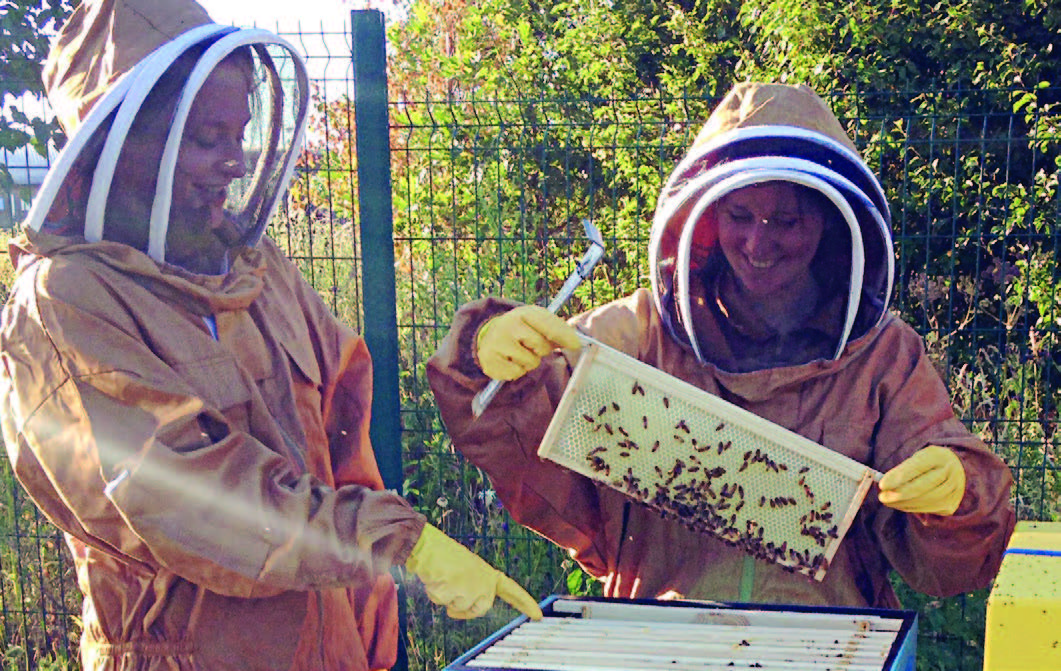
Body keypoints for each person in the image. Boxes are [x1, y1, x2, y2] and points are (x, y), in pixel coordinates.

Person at [0, 1, 540, 669]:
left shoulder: (260, 275)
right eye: (203, 138)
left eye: (238, 133)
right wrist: (392, 540)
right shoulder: (67, 304)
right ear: (122, 139)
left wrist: (477, 353)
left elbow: (346, 438)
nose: (232, 161)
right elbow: (193, 503)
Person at [426, 82, 1016, 609]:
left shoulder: (883, 355)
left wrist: (959, 492)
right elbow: (513, 415)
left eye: (787, 221)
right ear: (706, 217)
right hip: (659, 626)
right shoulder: (641, 329)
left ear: (829, 225)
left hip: (832, 637)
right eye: (740, 216)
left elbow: (951, 544)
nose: (760, 244)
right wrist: (485, 351)